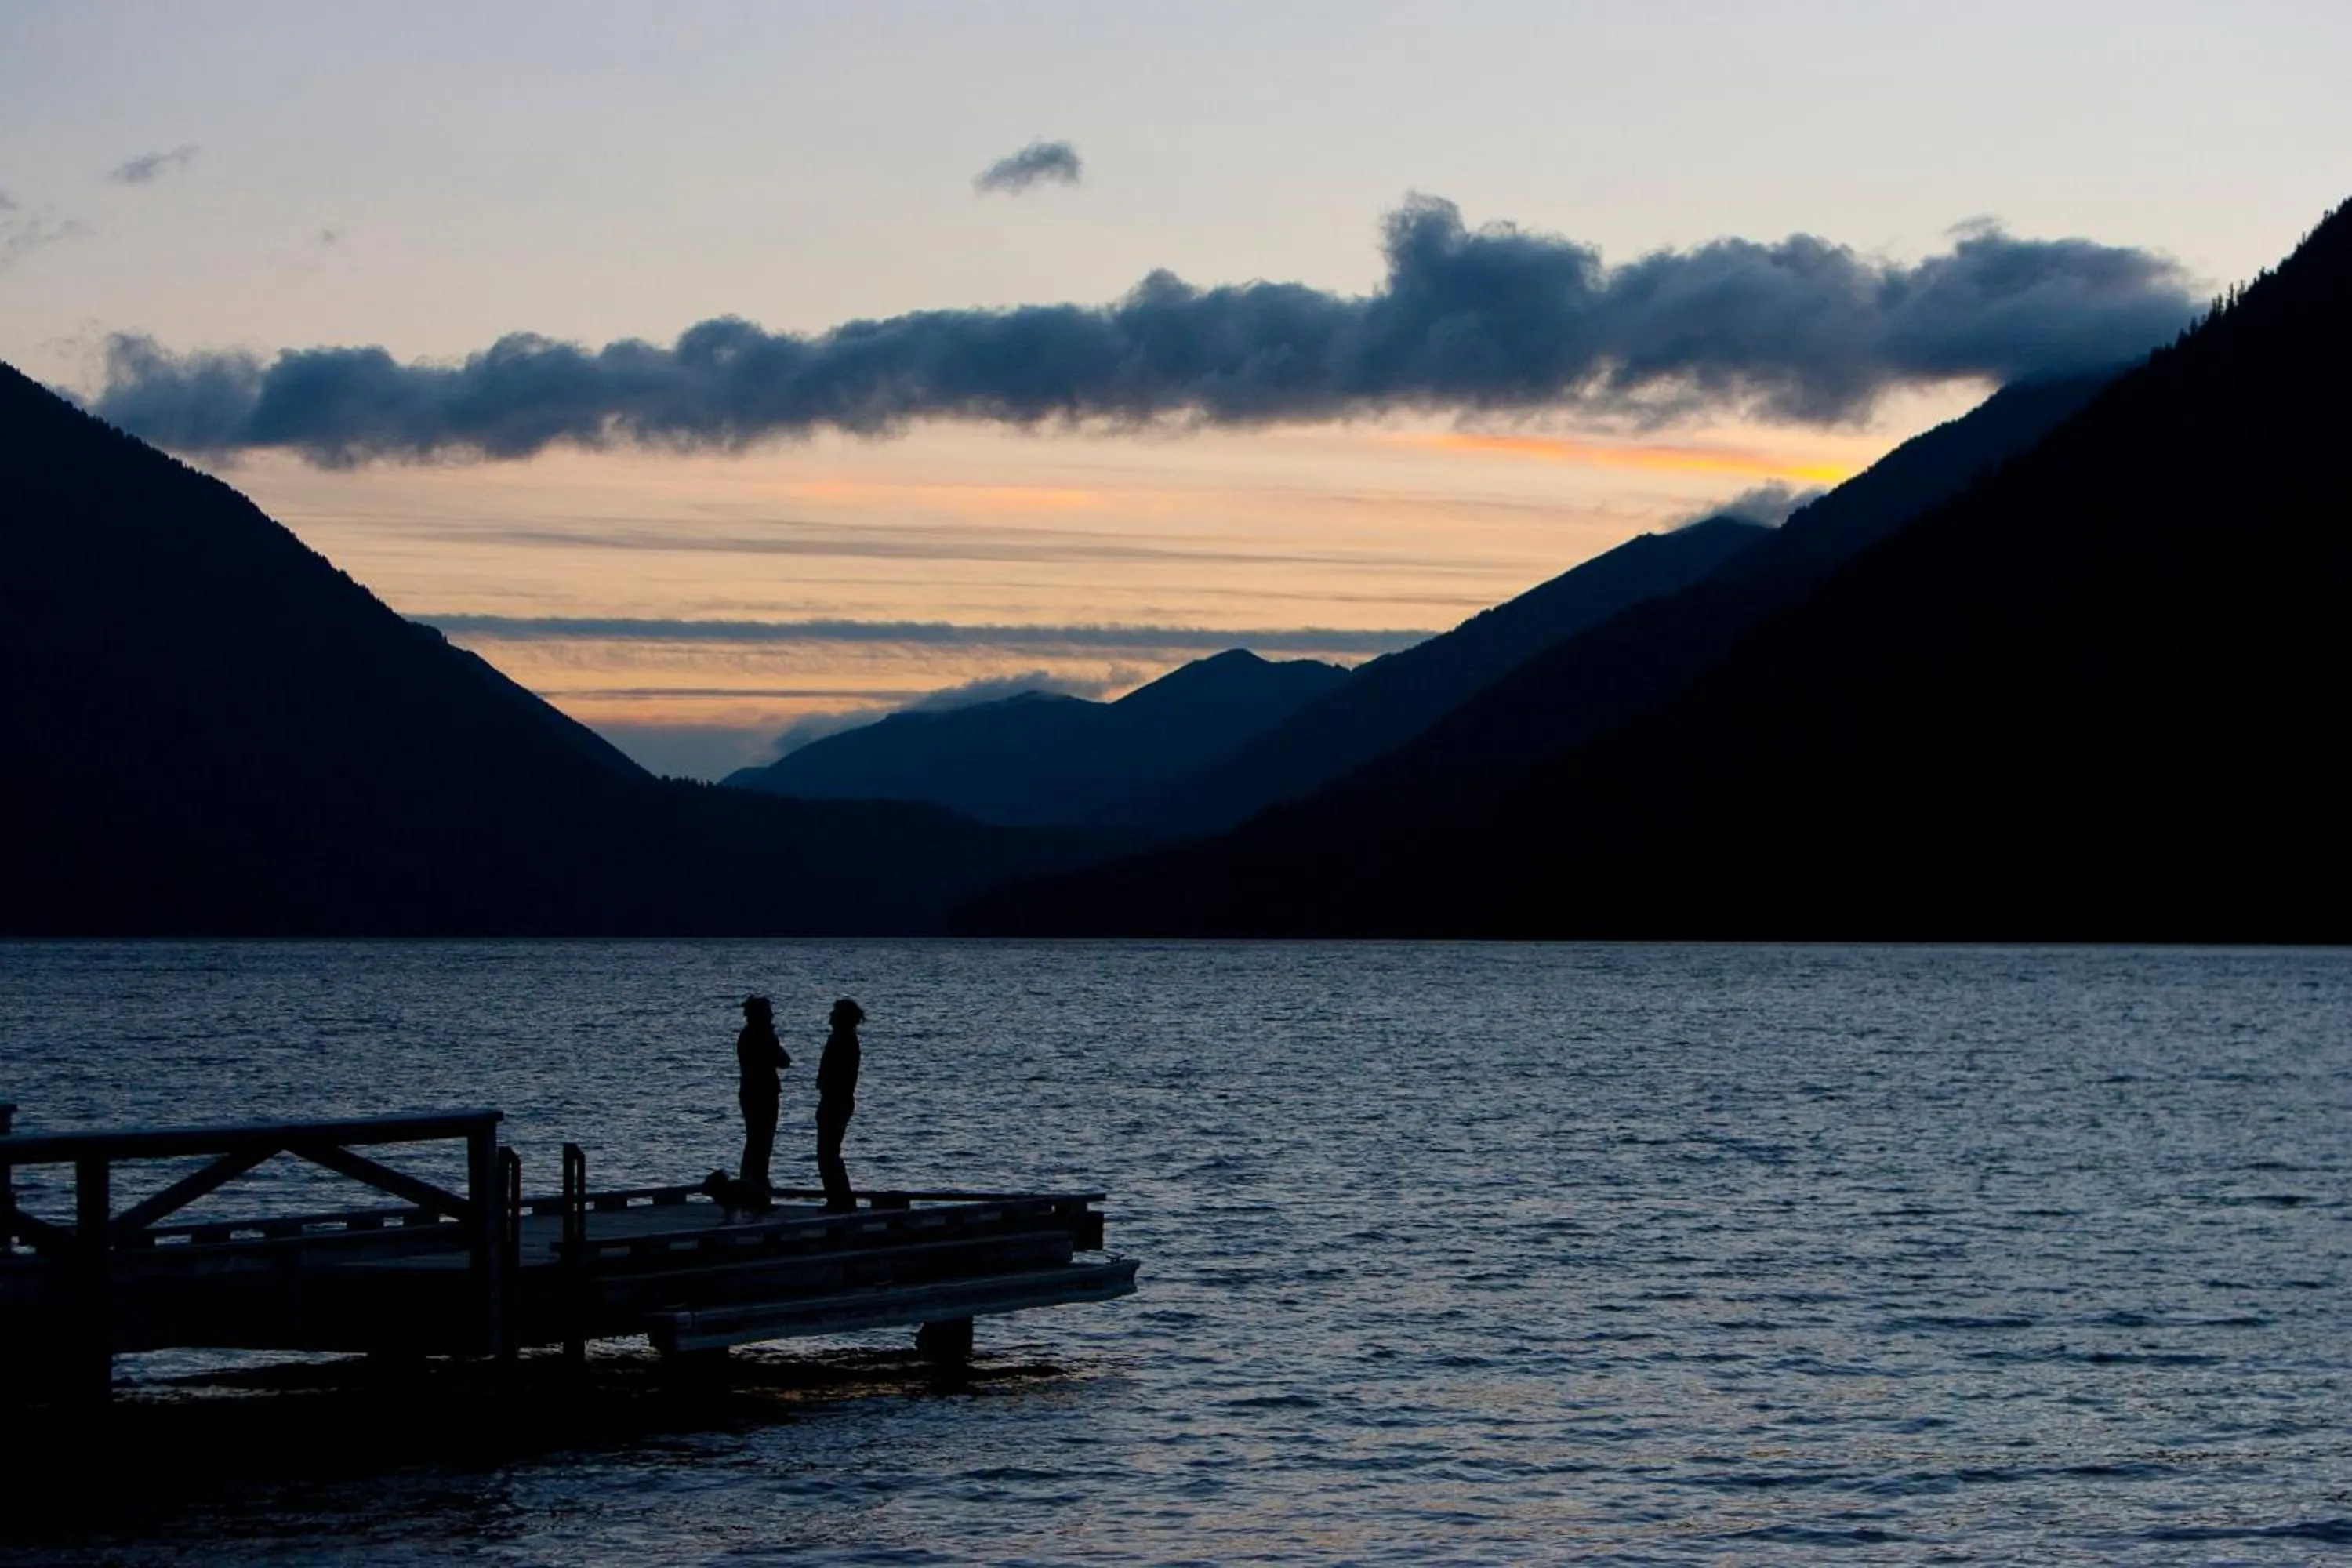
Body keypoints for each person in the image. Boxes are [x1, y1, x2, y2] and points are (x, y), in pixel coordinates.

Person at [735, 995, 790, 1193]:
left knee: (755, 1141)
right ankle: (755, 1186)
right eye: (768, 1012)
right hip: (763, 1093)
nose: (771, 1016)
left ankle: (752, 1185)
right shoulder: (763, 1036)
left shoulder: (748, 1035)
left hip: (751, 1092)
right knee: (761, 1142)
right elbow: (784, 1060)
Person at [815, 996, 865, 1212]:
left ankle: (839, 1198)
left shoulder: (842, 1040)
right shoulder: (844, 1039)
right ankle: (838, 1197)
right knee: (829, 1151)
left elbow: (840, 1076)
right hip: (836, 1100)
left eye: (834, 1014)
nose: (830, 1017)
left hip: (836, 1101)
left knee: (828, 1152)